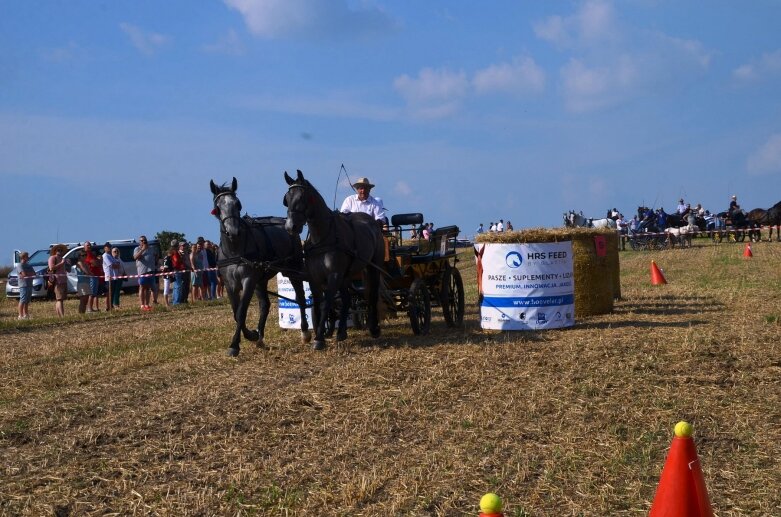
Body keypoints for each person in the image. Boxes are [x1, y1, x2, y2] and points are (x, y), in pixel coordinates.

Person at [133, 235, 157, 311]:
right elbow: (135, 257)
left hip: (150, 271)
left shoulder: (151, 249)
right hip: (142, 271)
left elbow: (155, 256)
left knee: (148, 288)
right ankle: (142, 305)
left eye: (145, 240)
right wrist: (142, 249)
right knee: (142, 287)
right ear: (139, 242)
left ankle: (147, 304)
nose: (143, 242)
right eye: (142, 240)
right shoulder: (137, 249)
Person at [48, 244, 68, 317]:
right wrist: (62, 263)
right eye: (58, 250)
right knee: (59, 299)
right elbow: (51, 268)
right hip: (57, 281)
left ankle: (59, 316)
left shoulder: (63, 258)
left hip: (63, 280)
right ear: (55, 251)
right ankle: (62, 316)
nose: (60, 251)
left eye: (61, 250)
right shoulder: (52, 258)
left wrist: (67, 264)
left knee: (60, 299)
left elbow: (66, 269)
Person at [16, 251, 35, 320]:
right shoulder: (19, 265)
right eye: (27, 256)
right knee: (22, 300)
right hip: (23, 285)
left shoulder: (29, 265)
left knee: (27, 301)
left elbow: (34, 273)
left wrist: (28, 273)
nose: (28, 257)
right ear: (23, 257)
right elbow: (24, 274)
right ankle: (20, 315)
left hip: (29, 284)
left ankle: (26, 315)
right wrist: (29, 273)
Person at [83, 241, 102, 312]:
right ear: (84, 247)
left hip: (96, 275)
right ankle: (89, 308)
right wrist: (96, 262)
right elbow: (95, 263)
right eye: (87, 245)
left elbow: (98, 262)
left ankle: (91, 308)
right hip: (91, 276)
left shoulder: (92, 254)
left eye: (90, 245)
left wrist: (97, 262)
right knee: (91, 293)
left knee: (94, 293)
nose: (89, 246)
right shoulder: (86, 255)